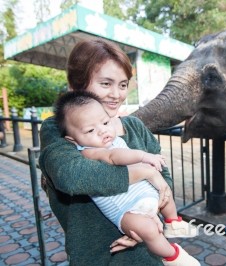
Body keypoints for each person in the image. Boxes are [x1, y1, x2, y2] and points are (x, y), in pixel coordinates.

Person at [38, 38, 184, 265]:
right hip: (98, 255)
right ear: (76, 87)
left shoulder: (135, 127)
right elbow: (73, 176)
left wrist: (143, 220)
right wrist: (145, 172)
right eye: (106, 84)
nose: (116, 94)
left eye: (123, 84)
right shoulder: (59, 130)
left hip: (149, 253)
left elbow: (163, 176)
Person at [53, 90, 199, 265]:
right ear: (73, 140)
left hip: (145, 192)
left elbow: (162, 175)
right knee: (148, 231)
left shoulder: (120, 136)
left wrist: (155, 174)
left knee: (166, 197)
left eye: (105, 122)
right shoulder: (88, 152)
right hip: (125, 209)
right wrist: (144, 157)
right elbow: (114, 157)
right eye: (91, 130)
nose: (102, 131)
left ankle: (173, 221)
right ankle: (173, 256)